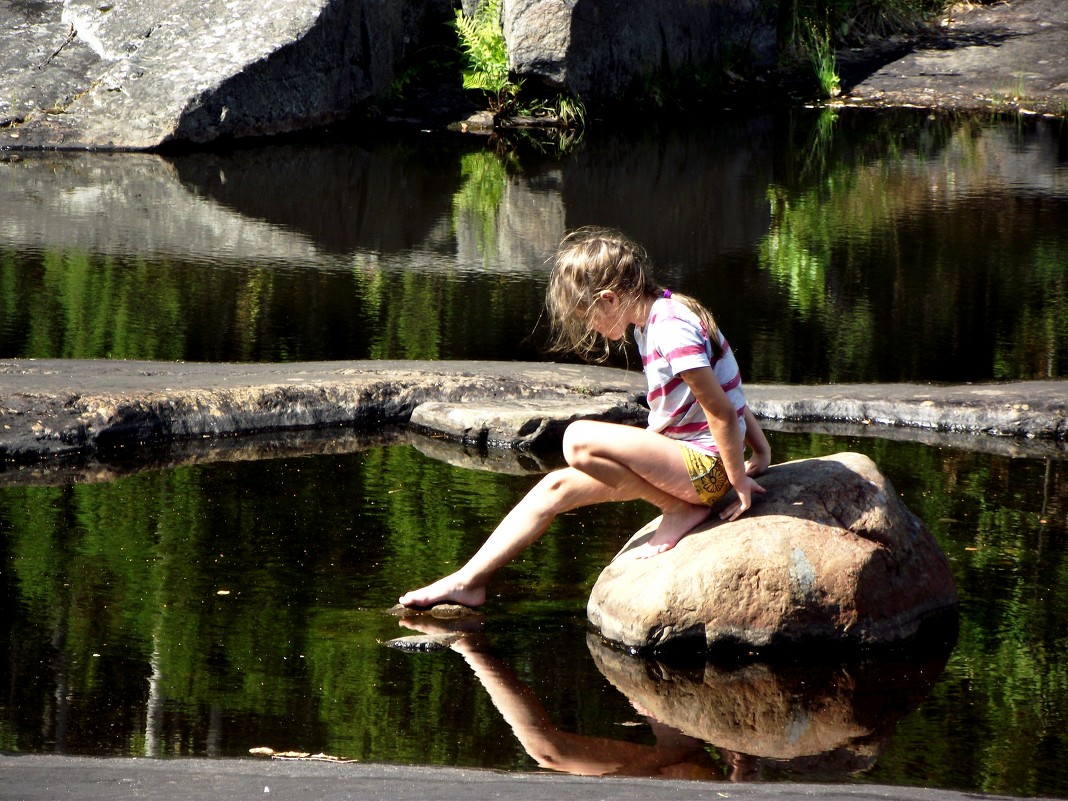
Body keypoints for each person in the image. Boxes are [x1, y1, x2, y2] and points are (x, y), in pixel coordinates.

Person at [399, 227, 770, 609]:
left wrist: (736, 479)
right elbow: (728, 386)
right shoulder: (661, 315)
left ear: (609, 298)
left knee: (576, 439)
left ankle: (679, 509)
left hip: (706, 472)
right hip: (692, 465)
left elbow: (720, 409)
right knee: (554, 488)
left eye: (587, 315)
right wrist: (760, 449)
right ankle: (467, 582)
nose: (590, 326)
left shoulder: (672, 327)